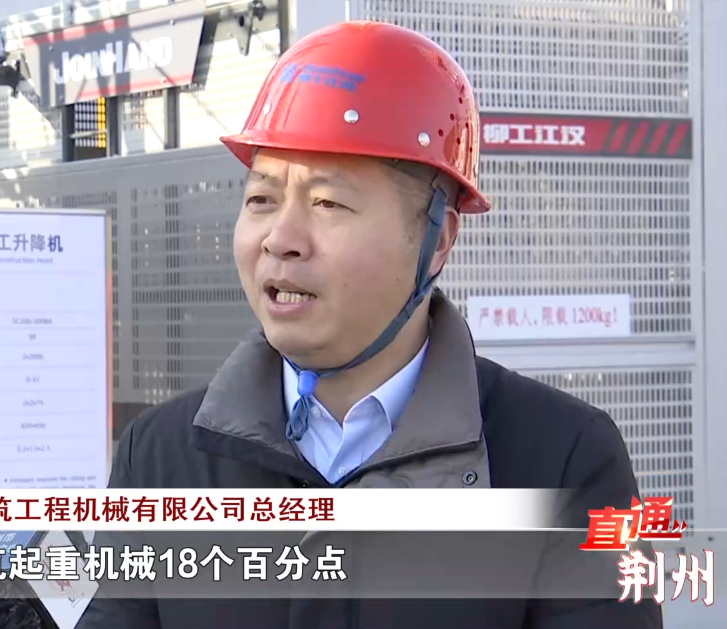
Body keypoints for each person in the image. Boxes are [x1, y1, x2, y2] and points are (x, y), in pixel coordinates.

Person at [75, 19, 662, 629]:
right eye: (261, 199)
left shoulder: (564, 460)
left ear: (437, 241)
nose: (280, 238)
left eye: (329, 202)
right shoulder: (160, 457)